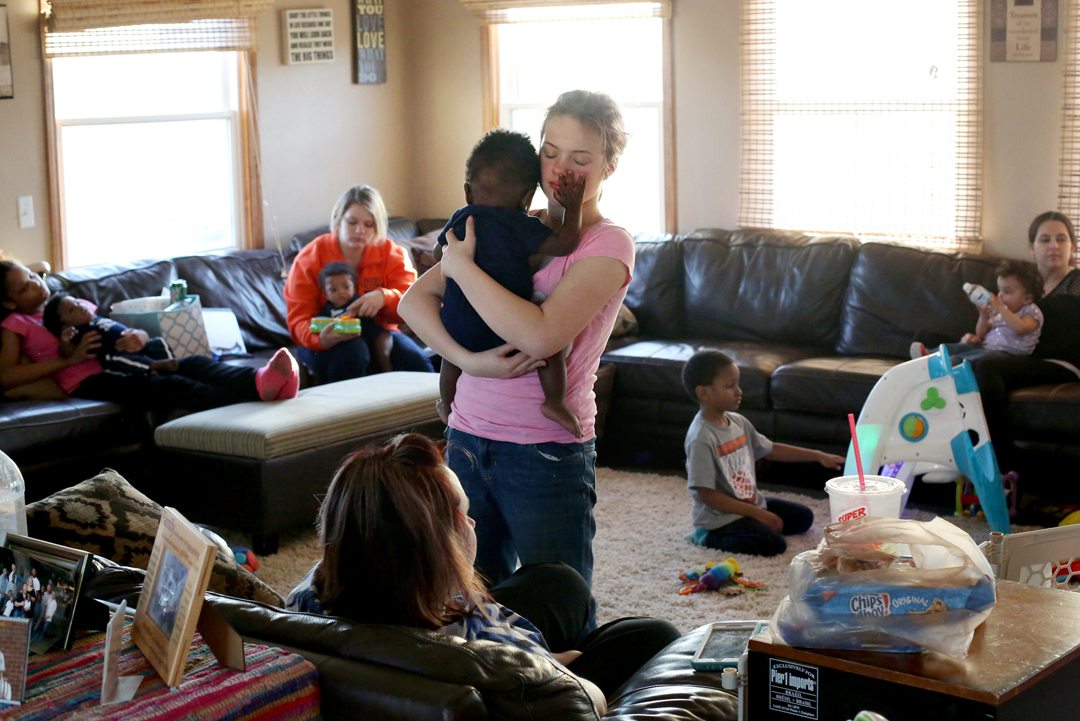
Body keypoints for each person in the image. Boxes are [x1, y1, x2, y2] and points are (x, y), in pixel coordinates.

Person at [399, 91, 638, 607]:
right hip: (466, 435)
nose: (561, 169)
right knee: (469, 602)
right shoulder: (511, 221)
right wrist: (467, 361)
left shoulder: (607, 244)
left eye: (581, 158)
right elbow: (415, 301)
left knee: (558, 607)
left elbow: (541, 336)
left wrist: (461, 267)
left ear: (609, 166)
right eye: (551, 152)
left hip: (544, 449)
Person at [286, 434, 682, 713]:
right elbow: (587, 698)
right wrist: (553, 666)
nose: (472, 521)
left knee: (558, 581)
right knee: (654, 636)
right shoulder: (481, 656)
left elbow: (477, 615)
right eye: (460, 514)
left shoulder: (314, 588)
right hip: (528, 683)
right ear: (433, 547)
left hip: (432, 631)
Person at [434, 128, 587, 436]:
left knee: (451, 354)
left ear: (468, 191)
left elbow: (440, 253)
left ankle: (446, 401)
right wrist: (573, 207)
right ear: (527, 198)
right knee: (549, 336)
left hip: (459, 325)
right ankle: (554, 401)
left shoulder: (462, 218)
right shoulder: (521, 224)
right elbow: (566, 243)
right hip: (505, 328)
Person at [0, 262, 300, 409]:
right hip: (93, 379)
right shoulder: (17, 322)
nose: (36, 286)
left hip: (129, 358)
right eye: (24, 288)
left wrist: (140, 335)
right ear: (9, 302)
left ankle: (262, 380)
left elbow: (115, 328)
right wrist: (70, 360)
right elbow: (6, 377)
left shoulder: (71, 304)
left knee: (193, 362)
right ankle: (256, 399)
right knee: (171, 385)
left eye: (32, 276)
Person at [681, 350, 844, 556]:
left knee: (803, 518)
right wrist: (758, 514)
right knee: (773, 545)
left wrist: (817, 455)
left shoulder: (738, 422)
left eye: (737, 384)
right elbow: (707, 495)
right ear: (703, 393)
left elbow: (770, 449)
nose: (739, 391)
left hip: (750, 505)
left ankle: (754, 522)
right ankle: (705, 536)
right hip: (720, 519)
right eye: (730, 386)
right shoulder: (701, 437)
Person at [284, 185, 434, 383]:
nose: (359, 230)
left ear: (378, 226)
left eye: (369, 224)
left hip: (380, 333)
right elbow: (298, 319)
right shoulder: (310, 257)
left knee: (415, 361)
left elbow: (413, 305)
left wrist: (384, 297)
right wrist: (319, 339)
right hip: (325, 334)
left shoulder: (391, 253)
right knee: (353, 354)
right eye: (352, 222)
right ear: (339, 220)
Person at [965, 212, 1080, 465]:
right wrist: (974, 337)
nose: (1054, 246)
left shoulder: (1076, 284)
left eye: (1062, 239)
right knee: (961, 358)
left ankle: (990, 461)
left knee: (986, 367)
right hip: (1016, 357)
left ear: (1072, 247)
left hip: (1059, 365)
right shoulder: (1019, 286)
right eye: (1045, 240)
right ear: (1032, 248)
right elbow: (994, 324)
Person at [911, 260, 1044, 362]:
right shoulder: (1000, 312)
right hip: (987, 347)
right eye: (1000, 290)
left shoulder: (1030, 311)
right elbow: (980, 335)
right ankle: (930, 355)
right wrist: (984, 317)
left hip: (1010, 357)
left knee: (980, 356)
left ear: (1027, 298)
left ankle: (953, 362)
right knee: (963, 348)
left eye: (1007, 291)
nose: (1001, 296)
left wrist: (1000, 308)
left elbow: (1020, 328)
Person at [43, 293, 177, 376]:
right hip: (116, 353)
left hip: (138, 347)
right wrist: (65, 341)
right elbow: (66, 354)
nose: (80, 306)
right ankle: (153, 367)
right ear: (64, 324)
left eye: (77, 302)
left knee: (158, 342)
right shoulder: (77, 331)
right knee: (113, 360)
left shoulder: (99, 318)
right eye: (72, 310)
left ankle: (169, 364)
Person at [311, 261, 394, 373]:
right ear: (325, 294)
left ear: (354, 288)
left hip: (370, 334)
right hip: (345, 341)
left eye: (346, 287)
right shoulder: (327, 309)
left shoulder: (358, 301)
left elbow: (370, 313)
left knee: (382, 343)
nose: (341, 292)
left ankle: (386, 367)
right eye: (334, 290)